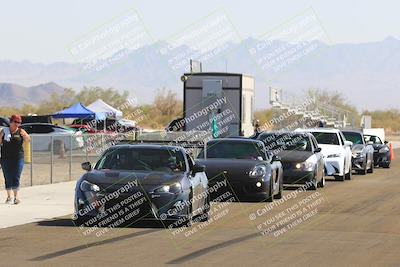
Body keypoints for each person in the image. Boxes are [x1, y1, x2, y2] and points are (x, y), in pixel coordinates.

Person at [0, 115, 30, 204]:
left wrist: (25, 136)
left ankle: (16, 197)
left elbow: (28, 140)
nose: (17, 124)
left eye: (19, 122)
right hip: (5, 158)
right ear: (11, 122)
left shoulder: (21, 131)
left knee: (16, 175)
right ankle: (9, 196)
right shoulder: (4, 131)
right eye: (15, 122)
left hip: (18, 157)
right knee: (8, 176)